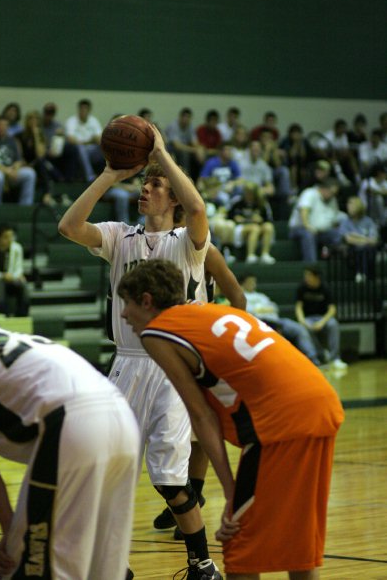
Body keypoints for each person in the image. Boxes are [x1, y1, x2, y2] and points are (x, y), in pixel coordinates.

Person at [58, 125, 223, 580]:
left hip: (173, 368)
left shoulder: (187, 246)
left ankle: (202, 563)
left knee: (170, 478)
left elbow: (197, 206)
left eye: (155, 186)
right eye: (144, 183)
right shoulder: (119, 236)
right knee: (109, 471)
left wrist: (163, 154)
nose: (145, 190)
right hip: (127, 364)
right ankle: (114, 565)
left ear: (170, 199)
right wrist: (111, 174)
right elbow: (69, 226)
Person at [117, 258, 344, 580]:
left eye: (126, 303)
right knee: (299, 541)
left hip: (282, 420)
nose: (123, 314)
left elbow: (201, 415)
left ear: (147, 301)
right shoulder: (213, 311)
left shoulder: (158, 332)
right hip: (321, 403)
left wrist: (229, 490)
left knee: (240, 544)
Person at [0, 289, 139, 580]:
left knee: (28, 564)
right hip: (121, 414)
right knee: (105, 570)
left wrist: (10, 530)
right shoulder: (14, 339)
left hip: (73, 422)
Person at [154, 243, 247, 540]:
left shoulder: (206, 250)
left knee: (200, 425)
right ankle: (186, 496)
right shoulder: (153, 243)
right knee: (186, 428)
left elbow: (238, 298)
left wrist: (225, 335)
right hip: (164, 342)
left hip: (196, 343)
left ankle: (193, 492)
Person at [239, 273, 320, 366]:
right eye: (250, 282)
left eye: (254, 282)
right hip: (260, 323)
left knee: (299, 329)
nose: (253, 284)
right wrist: (263, 309)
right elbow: (249, 310)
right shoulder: (242, 296)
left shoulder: (261, 296)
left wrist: (261, 309)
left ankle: (313, 360)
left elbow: (274, 307)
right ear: (243, 283)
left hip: (277, 320)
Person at [295, 264, 347, 370]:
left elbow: (332, 309)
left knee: (333, 324)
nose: (306, 278)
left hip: (322, 318)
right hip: (308, 318)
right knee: (304, 328)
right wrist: (302, 320)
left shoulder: (325, 288)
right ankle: (320, 354)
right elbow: (298, 307)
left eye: (309, 275)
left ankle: (335, 358)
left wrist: (322, 322)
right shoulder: (301, 288)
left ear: (316, 277)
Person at [211, 182, 276, 264]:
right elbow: (228, 214)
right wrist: (236, 218)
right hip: (240, 227)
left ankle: (265, 254)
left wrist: (260, 220)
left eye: (250, 193)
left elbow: (269, 220)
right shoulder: (237, 201)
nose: (248, 195)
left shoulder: (262, 203)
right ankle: (250, 255)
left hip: (259, 226)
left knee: (268, 227)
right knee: (254, 228)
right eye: (247, 193)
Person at [0, 224, 30, 316]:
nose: (10, 240)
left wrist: (13, 276)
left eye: (11, 236)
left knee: (23, 284)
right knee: (0, 284)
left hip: (12, 279)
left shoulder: (17, 248)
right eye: (6, 237)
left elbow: (19, 268)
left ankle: (22, 315)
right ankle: (3, 315)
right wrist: (2, 276)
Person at [288, 179, 343, 261]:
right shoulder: (310, 193)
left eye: (335, 193)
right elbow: (304, 210)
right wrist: (307, 226)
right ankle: (311, 266)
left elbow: (334, 219)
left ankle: (335, 263)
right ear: (324, 189)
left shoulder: (332, 200)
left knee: (338, 234)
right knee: (308, 234)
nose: (332, 195)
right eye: (331, 192)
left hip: (320, 232)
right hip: (299, 228)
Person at [16, 111, 59, 206]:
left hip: (37, 164)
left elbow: (40, 155)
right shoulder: (19, 136)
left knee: (42, 163)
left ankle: (47, 193)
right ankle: (48, 191)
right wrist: (25, 164)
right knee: (43, 166)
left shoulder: (41, 136)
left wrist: (36, 135)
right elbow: (18, 155)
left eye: (36, 119)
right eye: (31, 119)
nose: (33, 122)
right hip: (23, 164)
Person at [337, 196, 379, 281]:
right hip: (352, 250)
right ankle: (361, 273)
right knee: (360, 249)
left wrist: (357, 236)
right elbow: (348, 239)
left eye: (352, 205)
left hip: (368, 249)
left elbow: (374, 240)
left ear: (359, 206)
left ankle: (364, 274)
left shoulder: (368, 221)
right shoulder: (345, 222)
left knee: (367, 249)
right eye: (348, 205)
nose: (349, 207)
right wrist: (365, 239)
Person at [65, 99, 104, 183]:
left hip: (91, 151)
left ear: (89, 110)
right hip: (77, 151)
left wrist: (83, 142)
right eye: (81, 108)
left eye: (85, 109)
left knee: (105, 146)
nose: (83, 111)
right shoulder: (71, 121)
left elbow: (99, 139)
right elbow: (70, 139)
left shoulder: (94, 121)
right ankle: (90, 176)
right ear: (78, 109)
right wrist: (89, 141)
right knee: (80, 148)